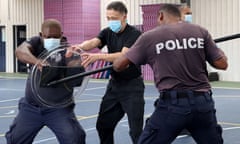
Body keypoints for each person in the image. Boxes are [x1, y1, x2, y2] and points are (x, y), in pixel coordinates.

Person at [113, 4, 227, 144]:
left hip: (173, 105)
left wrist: (131, 55)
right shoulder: (200, 32)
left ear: (161, 15)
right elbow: (222, 64)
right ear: (179, 16)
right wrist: (215, 50)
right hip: (203, 104)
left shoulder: (150, 37)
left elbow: (118, 66)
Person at [67, 1, 145, 144]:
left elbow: (123, 56)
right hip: (114, 86)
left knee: (136, 131)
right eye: (108, 18)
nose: (111, 21)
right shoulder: (107, 32)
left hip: (132, 87)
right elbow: (94, 42)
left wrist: (97, 57)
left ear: (124, 16)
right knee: (103, 126)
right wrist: (79, 47)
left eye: (114, 18)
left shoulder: (134, 34)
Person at [5, 19, 86, 144]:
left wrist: (75, 64)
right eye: (48, 37)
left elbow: (77, 73)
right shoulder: (35, 43)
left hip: (59, 109)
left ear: (61, 35)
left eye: (56, 37)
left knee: (74, 138)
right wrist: (37, 61)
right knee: (15, 139)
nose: (52, 39)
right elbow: (20, 51)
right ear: (41, 35)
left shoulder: (68, 50)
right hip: (31, 108)